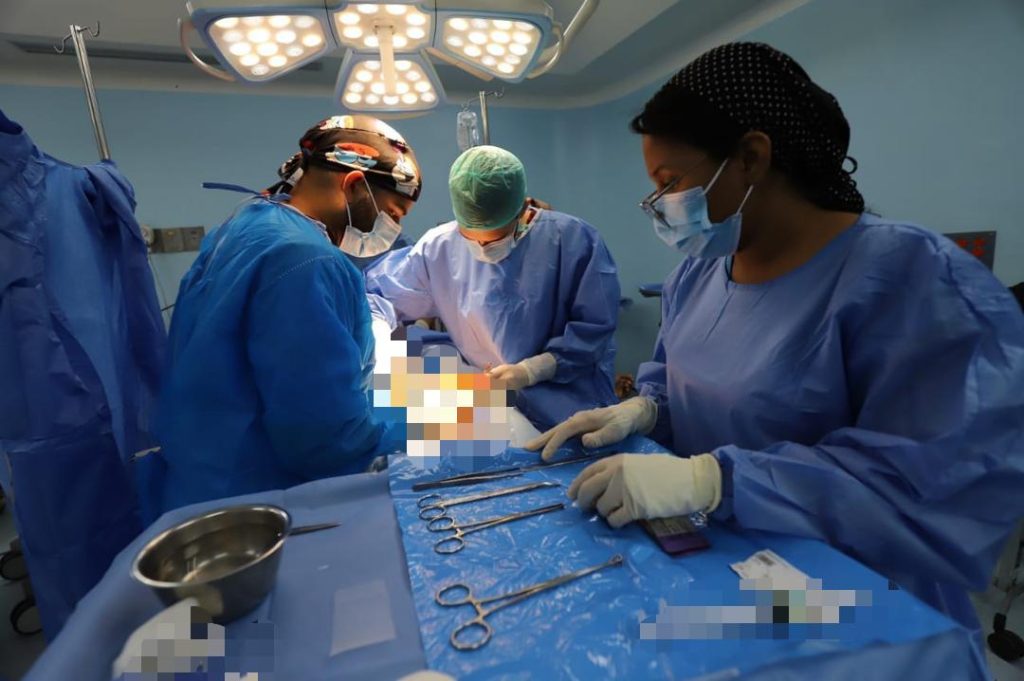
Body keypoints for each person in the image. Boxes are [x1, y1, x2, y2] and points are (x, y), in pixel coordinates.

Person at [527, 42, 1024, 634]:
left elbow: (926, 485)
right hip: (727, 567)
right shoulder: (697, 275)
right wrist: (644, 410)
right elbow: (685, 391)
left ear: (751, 157)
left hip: (858, 603)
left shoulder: (912, 281)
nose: (659, 206)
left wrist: (714, 480)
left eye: (671, 182)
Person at [154, 115, 421, 513]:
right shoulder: (307, 260)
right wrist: (427, 428)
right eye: (393, 215)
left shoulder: (248, 224)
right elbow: (325, 440)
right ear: (353, 186)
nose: (392, 231)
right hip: (259, 495)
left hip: (203, 475)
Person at [365, 145, 620, 431]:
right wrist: (378, 336)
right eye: (471, 238)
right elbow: (381, 298)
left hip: (567, 403)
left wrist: (533, 370)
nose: (483, 248)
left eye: (495, 239)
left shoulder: (573, 240)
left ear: (521, 211)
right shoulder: (438, 248)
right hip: (489, 401)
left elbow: (594, 327)